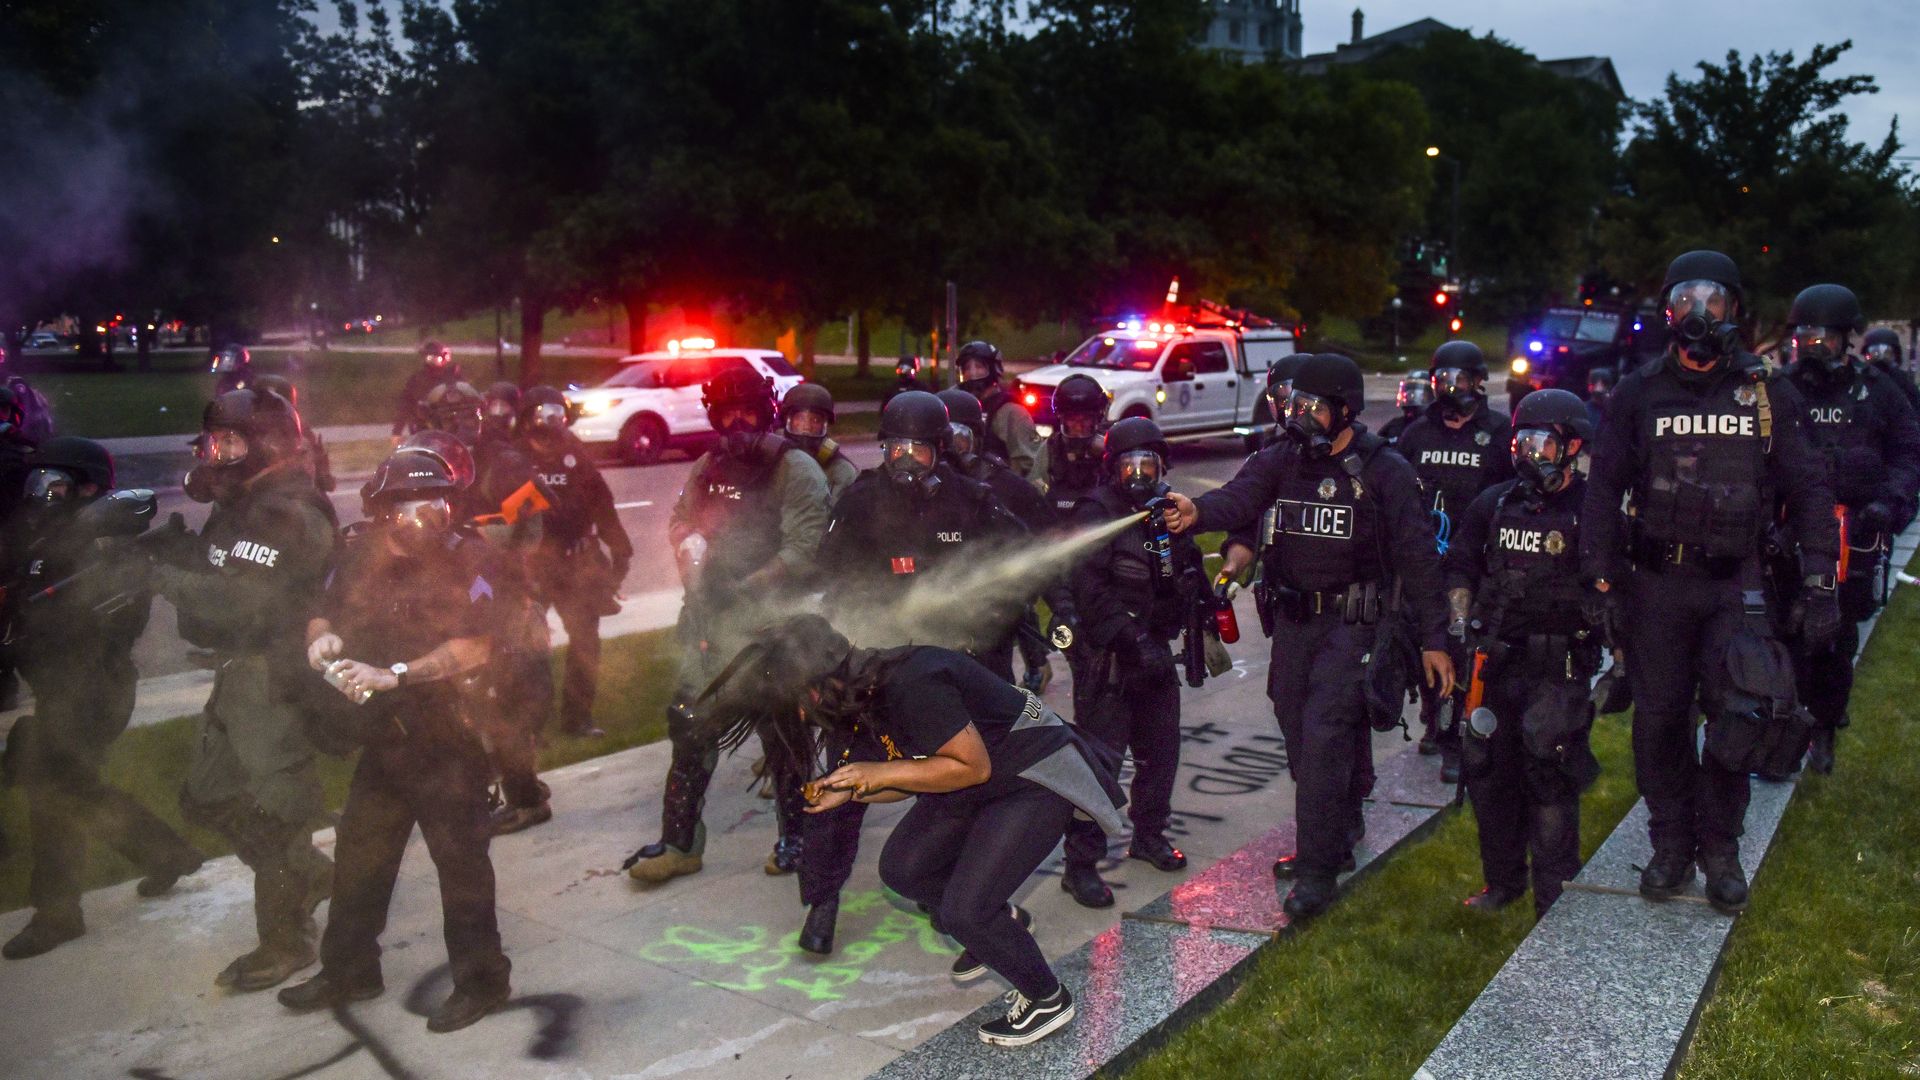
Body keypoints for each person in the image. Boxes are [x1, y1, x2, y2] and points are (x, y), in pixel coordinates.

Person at [699, 614, 1124, 1048]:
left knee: (965, 911)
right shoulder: (855, 702)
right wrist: (852, 791)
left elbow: (970, 766)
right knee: (904, 869)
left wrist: (874, 773)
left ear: (814, 686)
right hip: (976, 781)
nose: (803, 715)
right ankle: (1003, 923)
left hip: (1032, 777)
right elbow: (904, 779)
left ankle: (1046, 999)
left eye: (798, 702)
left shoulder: (912, 682)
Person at [1581, 250, 1838, 915]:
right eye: (1687, 300)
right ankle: (1670, 843)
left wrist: (1819, 580)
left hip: (1739, 585)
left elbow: (1810, 487)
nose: (1700, 314)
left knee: (1740, 715)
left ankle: (1720, 849)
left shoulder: (1765, 392)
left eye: (1714, 301)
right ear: (1668, 310)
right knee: (1660, 722)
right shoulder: (1639, 392)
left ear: (1734, 309)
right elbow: (1602, 491)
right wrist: (1601, 583)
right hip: (1658, 585)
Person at [1162, 354, 1452, 921]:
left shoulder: (1384, 470)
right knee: (1296, 723)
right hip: (1296, 621)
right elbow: (1239, 499)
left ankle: (1318, 870)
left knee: (1324, 734)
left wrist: (1435, 638)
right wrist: (1196, 511)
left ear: (1344, 409)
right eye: (1295, 406)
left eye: (1313, 408)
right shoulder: (1281, 460)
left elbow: (1419, 561)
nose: (1300, 418)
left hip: (1356, 623)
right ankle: (1337, 830)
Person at [277, 452, 513, 1032]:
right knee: (359, 858)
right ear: (384, 511)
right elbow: (321, 611)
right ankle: (351, 970)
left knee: (460, 865)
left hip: (446, 734)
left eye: (437, 500)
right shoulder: (359, 554)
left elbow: (477, 646)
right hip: (385, 737)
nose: (427, 514)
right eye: (411, 503)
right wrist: (322, 642)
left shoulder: (470, 558)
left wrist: (397, 674)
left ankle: (482, 982)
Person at [801, 391, 1031, 951]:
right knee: (846, 781)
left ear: (941, 451)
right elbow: (824, 576)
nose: (905, 461)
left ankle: (945, 893)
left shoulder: (972, 500)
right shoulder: (858, 501)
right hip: (870, 670)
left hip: (943, 674)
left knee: (952, 788)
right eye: (895, 449)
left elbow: (1019, 559)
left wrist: (988, 618)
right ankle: (822, 900)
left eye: (918, 451)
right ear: (882, 449)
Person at [149, 388, 338, 989]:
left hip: (275, 677)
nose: (216, 453)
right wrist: (175, 551)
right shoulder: (243, 503)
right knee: (205, 797)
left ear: (268, 444)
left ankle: (285, 943)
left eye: (230, 441)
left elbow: (243, 602)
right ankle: (307, 873)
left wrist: (158, 576)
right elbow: (221, 566)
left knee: (277, 813)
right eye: (213, 441)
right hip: (236, 673)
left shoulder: (288, 512)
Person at [1, 440, 205, 959]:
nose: (42, 492)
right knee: (75, 788)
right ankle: (167, 853)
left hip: (93, 689)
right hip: (62, 687)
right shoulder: (46, 536)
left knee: (53, 794)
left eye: (55, 482)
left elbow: (92, 621)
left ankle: (57, 914)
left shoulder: (111, 546)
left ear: (88, 487)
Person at [627, 368, 830, 885]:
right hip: (708, 622)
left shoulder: (796, 469)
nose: (736, 423)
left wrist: (748, 587)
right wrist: (688, 541)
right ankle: (680, 843)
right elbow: (678, 517)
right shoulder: (706, 467)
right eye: (726, 413)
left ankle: (798, 839)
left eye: (747, 412)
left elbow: (804, 551)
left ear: (766, 413)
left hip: (773, 626)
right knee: (688, 724)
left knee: (783, 736)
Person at [1447, 390, 1601, 917]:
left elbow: (1617, 589)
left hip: (1558, 669)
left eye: (1542, 443)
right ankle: (1502, 882)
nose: (1528, 453)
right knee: (1489, 775)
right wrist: (1461, 623)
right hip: (1494, 664)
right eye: (1522, 441)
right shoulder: (1492, 505)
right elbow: (1462, 568)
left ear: (1573, 446)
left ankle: (1553, 898)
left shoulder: (1594, 512)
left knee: (1550, 779)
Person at [1058, 417, 1203, 908]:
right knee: (1099, 763)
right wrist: (1124, 635)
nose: (1139, 473)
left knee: (1160, 752)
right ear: (1112, 468)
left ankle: (1149, 835)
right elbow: (1087, 584)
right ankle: (1080, 864)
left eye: (1149, 463)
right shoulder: (1096, 513)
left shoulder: (1168, 512)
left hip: (1156, 649)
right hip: (1109, 658)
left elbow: (1184, 569)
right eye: (1129, 464)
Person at [1778, 285, 1920, 774]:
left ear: (1846, 338)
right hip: (1793, 528)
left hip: (1856, 531)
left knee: (1836, 638)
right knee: (1785, 630)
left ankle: (1824, 725)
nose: (1814, 347)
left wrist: (1889, 502)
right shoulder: (1781, 389)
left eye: (1824, 338)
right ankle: (1785, 728)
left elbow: (1908, 452)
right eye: (1805, 337)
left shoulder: (1878, 391)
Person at [1394, 341, 1514, 783]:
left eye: (1458, 380)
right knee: (1426, 645)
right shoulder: (1417, 434)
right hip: (1425, 562)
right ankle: (1433, 718)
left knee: (1463, 650)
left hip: (1476, 564)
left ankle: (1455, 740)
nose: (1449, 389)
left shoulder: (1499, 433)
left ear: (1478, 382)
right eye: (1441, 380)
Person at [518, 385, 632, 737]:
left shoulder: (577, 458)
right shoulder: (515, 461)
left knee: (585, 643)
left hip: (577, 565)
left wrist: (620, 554)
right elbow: (505, 518)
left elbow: (603, 506)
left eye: (557, 415)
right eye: (542, 414)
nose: (550, 423)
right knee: (525, 647)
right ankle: (529, 727)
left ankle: (577, 719)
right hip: (532, 567)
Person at [937, 387, 1061, 692]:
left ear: (976, 438)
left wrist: (1061, 605)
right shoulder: (921, 492)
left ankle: (1036, 662)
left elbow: (1044, 545)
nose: (952, 449)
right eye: (943, 441)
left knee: (991, 700)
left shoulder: (1003, 486)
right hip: (935, 617)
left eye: (959, 438)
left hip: (991, 620)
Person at [956, 340, 1041, 478]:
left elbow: (1028, 464)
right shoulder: (958, 408)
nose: (972, 373)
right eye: (966, 368)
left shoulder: (1012, 413)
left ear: (993, 368)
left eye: (979, 366)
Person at [1030, 372, 1109, 520]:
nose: (1078, 427)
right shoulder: (1050, 449)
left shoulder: (1110, 450)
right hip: (1057, 528)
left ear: (1097, 419)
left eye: (1085, 419)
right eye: (1072, 419)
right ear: (1061, 419)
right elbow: (1034, 495)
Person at [254, 373, 335, 493]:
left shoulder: (303, 435)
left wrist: (321, 463)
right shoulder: (245, 438)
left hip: (297, 503)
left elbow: (326, 484)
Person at [782, 383, 858, 500]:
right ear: (788, 420)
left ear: (825, 425)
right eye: (800, 418)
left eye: (815, 420)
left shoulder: (842, 471)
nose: (806, 427)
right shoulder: (772, 458)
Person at [391, 340, 464, 441]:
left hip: (451, 424)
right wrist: (397, 431)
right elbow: (406, 404)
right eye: (429, 357)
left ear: (444, 357)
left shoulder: (453, 376)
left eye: (436, 357)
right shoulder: (417, 379)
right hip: (424, 426)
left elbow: (466, 395)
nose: (433, 360)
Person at [1860, 326, 1920, 409]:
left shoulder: (1903, 381)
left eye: (1886, 353)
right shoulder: (1860, 381)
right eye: (1873, 353)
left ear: (1895, 355)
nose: (1880, 358)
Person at [1257, 354, 1309, 448]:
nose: (1291, 409)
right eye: (1284, 400)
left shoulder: (1339, 448)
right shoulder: (1269, 457)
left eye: (1301, 400)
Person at [1380, 373, 1434, 443]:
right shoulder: (1394, 426)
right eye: (1410, 394)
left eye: (1421, 395)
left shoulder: (1436, 429)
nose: (1412, 398)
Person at [1585, 367, 1617, 433]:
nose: (1599, 387)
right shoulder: (1582, 410)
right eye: (1594, 382)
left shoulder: (1617, 411)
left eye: (1604, 383)